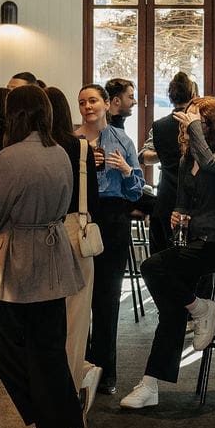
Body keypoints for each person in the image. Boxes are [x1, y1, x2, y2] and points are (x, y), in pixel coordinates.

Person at [120, 96, 215, 410]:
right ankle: (151, 383)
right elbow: (182, 201)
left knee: (151, 267)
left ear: (211, 122)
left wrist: (195, 132)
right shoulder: (187, 156)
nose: (190, 127)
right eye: (188, 122)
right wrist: (179, 214)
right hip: (195, 240)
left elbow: (212, 165)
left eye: (197, 121)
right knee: (171, 310)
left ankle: (202, 309)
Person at [0, 84, 86, 428]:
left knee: (0, 340)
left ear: (14, 115)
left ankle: (50, 422)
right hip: (54, 254)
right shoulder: (60, 152)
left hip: (17, 258)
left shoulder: (7, 157)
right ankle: (57, 425)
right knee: (49, 346)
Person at [77, 82, 143, 396]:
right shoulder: (72, 141)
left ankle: (105, 372)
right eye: (82, 102)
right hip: (80, 218)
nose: (87, 107)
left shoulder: (122, 140)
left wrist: (127, 170)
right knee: (79, 299)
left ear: (106, 104)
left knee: (107, 298)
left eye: (93, 101)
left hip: (114, 219)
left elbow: (136, 191)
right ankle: (80, 366)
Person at [45, 86, 102, 407]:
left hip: (38, 234)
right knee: (76, 318)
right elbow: (92, 199)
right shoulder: (79, 147)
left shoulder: (36, 149)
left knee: (45, 318)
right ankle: (72, 382)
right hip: (74, 231)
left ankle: (54, 387)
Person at [143, 71, 198, 246]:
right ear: (193, 96)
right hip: (193, 198)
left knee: (163, 253)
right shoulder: (198, 125)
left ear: (171, 97)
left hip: (166, 194)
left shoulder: (159, 126)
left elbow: (143, 156)